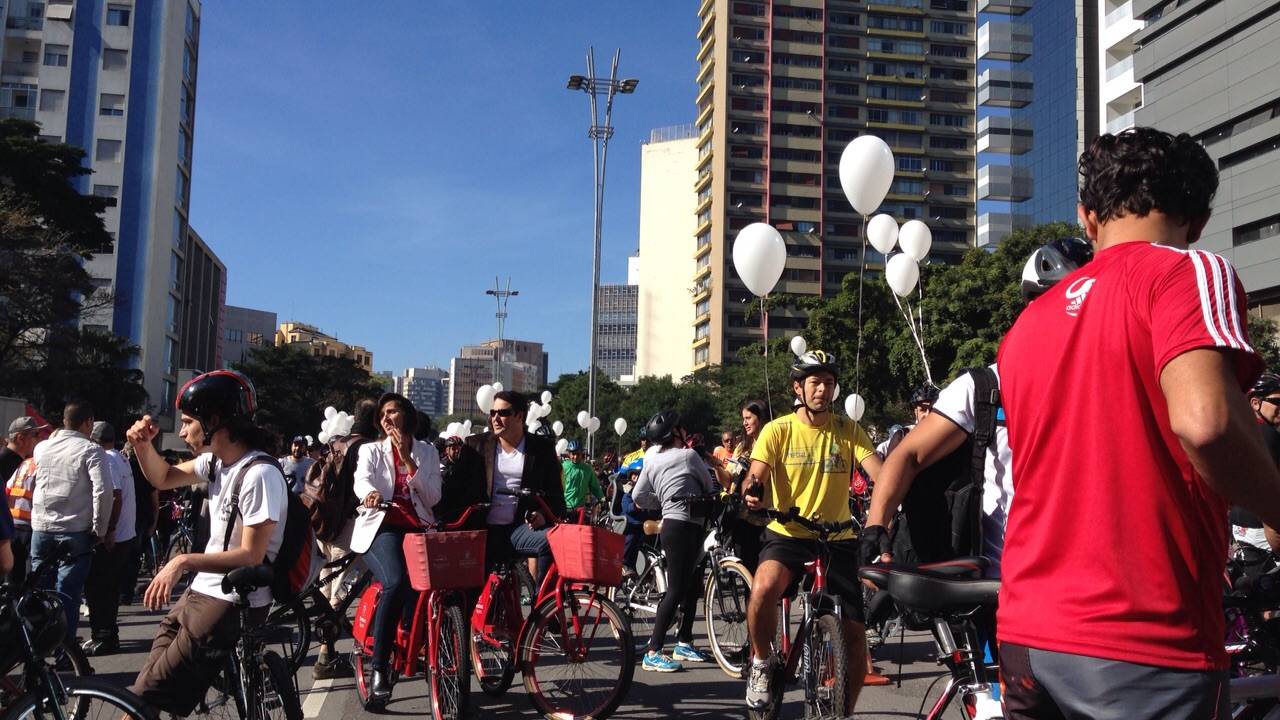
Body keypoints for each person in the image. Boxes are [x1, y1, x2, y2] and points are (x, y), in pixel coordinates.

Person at [995, 128, 1280, 719]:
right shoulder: (1187, 272)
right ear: (1198, 220)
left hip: (1027, 635)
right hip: (1144, 636)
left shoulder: (1026, 326)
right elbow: (1207, 424)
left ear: (1087, 218)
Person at [124, 370, 288, 717]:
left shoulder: (259, 473)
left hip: (233, 599)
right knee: (147, 684)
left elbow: (251, 555)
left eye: (188, 422)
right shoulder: (217, 462)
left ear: (215, 420)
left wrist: (182, 561)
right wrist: (142, 446)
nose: (182, 431)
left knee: (145, 692)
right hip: (202, 592)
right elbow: (164, 477)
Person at [741, 350, 882, 715]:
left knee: (854, 637)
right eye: (815, 383)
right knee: (762, 589)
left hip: (837, 536)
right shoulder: (778, 430)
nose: (823, 390)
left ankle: (842, 712)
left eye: (830, 383)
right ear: (798, 387)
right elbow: (755, 473)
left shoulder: (848, 429)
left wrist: (894, 495)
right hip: (788, 532)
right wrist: (753, 489)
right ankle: (760, 662)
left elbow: (878, 472)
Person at [349, 393, 443, 705]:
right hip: (382, 527)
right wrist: (371, 493)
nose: (389, 417)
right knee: (395, 581)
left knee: (433, 589)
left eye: (395, 411)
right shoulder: (370, 450)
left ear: (408, 416)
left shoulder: (427, 453)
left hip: (419, 528)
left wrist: (408, 460)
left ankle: (414, 641)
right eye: (384, 413)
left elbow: (433, 498)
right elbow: (361, 481)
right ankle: (379, 666)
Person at [443, 390, 566, 583]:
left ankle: (545, 605)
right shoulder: (475, 445)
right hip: (482, 530)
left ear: (520, 416)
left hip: (519, 529)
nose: (495, 418)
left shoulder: (541, 449)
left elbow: (557, 499)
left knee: (555, 540)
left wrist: (542, 514)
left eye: (502, 413)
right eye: (492, 413)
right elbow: (454, 490)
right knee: (474, 597)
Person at [631, 410, 719, 672]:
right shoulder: (688, 456)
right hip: (687, 525)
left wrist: (663, 500)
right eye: (682, 428)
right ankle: (653, 651)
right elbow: (708, 487)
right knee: (678, 589)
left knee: (691, 585)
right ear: (676, 433)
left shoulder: (652, 462)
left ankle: (684, 641)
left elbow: (638, 496)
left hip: (671, 524)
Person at [29, 401, 112, 636]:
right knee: (67, 593)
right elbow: (103, 491)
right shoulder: (91, 450)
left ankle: (35, 645)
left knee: (38, 590)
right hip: (75, 529)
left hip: (41, 527)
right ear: (88, 423)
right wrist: (100, 528)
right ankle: (64, 650)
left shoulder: (42, 448)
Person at [313, 398, 378, 680]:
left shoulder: (337, 443)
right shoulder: (366, 448)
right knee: (342, 592)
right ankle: (326, 657)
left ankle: (326, 651)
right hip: (349, 527)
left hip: (325, 525)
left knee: (327, 588)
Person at [82, 421, 136, 656]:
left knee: (98, 588)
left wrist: (109, 530)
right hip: (125, 534)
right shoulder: (120, 457)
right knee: (108, 588)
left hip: (112, 536)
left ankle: (103, 636)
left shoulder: (106, 458)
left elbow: (114, 496)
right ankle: (107, 635)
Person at [4, 416, 50, 585]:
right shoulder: (12, 462)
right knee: (21, 579)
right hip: (22, 528)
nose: (40, 438)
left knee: (13, 580)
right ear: (20, 438)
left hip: (13, 527)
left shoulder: (20, 463)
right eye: (36, 434)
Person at [561, 440, 603, 512]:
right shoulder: (563, 467)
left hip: (580, 508)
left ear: (581, 453)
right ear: (569, 454)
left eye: (578, 454)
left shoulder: (587, 469)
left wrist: (602, 498)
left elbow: (595, 487)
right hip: (565, 506)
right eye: (573, 454)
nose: (575, 456)